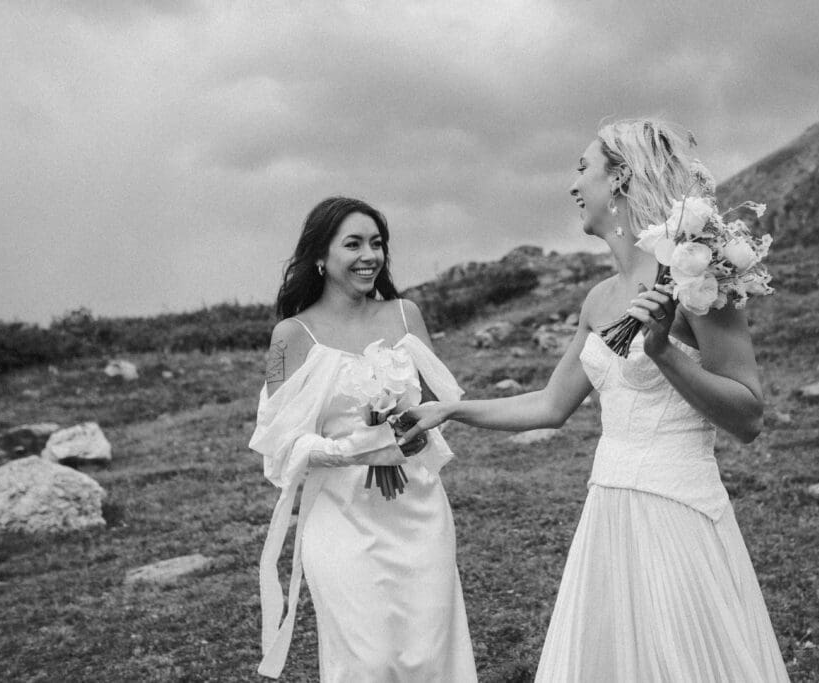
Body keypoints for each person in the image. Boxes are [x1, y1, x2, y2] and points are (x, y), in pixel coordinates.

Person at [401, 119, 790, 681]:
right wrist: (450, 410)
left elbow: (749, 415)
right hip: (609, 513)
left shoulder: (696, 280)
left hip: (678, 511)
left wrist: (663, 351)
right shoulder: (599, 298)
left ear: (621, 177)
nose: (573, 184)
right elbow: (550, 406)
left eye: (583, 168)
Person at [248, 197, 476, 681]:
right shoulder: (292, 335)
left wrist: (413, 433)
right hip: (340, 518)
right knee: (368, 660)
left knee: (426, 654)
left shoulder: (404, 314)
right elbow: (282, 450)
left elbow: (437, 406)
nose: (369, 255)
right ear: (320, 256)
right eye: (353, 244)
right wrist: (357, 448)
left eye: (377, 243)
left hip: (418, 512)